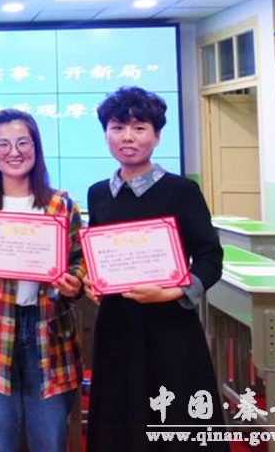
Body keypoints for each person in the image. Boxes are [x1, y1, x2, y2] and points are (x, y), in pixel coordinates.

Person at [85, 86, 228, 451]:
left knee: (173, 421)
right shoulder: (98, 193)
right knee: (120, 418)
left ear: (157, 135)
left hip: (170, 327)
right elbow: (99, 253)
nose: (127, 137)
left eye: (139, 128)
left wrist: (175, 291)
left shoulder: (182, 191)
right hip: (117, 326)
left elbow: (210, 257)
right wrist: (91, 279)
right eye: (117, 127)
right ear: (105, 133)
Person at [0, 109, 84, 452]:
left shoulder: (61, 204)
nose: (14, 152)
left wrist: (74, 282)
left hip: (50, 333)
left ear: (36, 147)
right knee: (2, 442)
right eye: (3, 144)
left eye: (23, 143)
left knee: (50, 441)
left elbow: (79, 261)